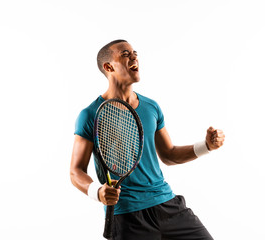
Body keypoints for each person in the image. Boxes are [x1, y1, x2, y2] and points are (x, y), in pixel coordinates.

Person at [70, 39, 225, 240]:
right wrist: (97, 191)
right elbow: (76, 171)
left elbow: (169, 155)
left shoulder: (151, 107)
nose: (134, 57)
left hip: (169, 206)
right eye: (125, 54)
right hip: (127, 216)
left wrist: (206, 146)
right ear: (108, 67)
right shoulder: (90, 115)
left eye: (135, 53)